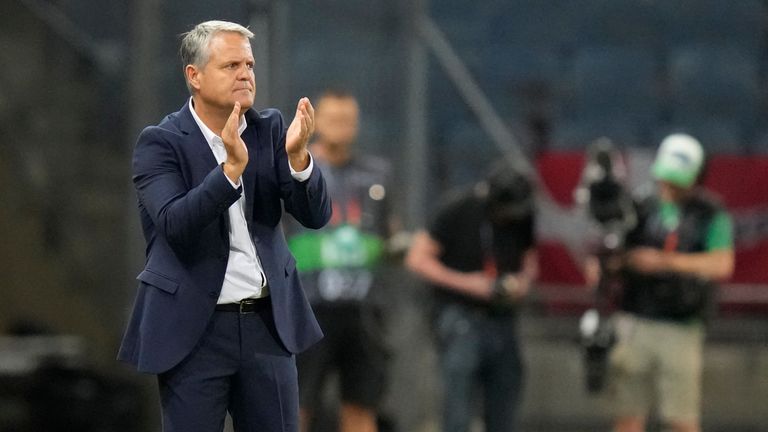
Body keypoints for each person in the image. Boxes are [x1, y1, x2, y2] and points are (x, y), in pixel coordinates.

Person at [117, 20, 331, 432]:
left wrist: (300, 160)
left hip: (268, 327)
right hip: (194, 331)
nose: (245, 74)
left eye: (249, 65)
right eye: (231, 65)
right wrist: (230, 171)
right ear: (194, 76)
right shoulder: (160, 143)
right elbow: (175, 223)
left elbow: (316, 216)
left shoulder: (269, 129)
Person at [590, 133, 734, 432]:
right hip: (636, 320)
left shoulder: (710, 213)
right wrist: (623, 261)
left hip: (682, 325)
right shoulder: (638, 208)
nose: (671, 186)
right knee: (628, 415)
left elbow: (721, 263)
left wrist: (664, 262)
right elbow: (608, 259)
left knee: (681, 418)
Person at [285, 89, 394, 432]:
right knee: (297, 406)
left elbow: (389, 230)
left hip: (363, 311)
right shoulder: (295, 169)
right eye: (333, 119)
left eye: (348, 120)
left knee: (361, 406)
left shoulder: (377, 174)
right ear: (317, 121)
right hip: (309, 307)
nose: (341, 127)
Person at [405, 164, 538, 432]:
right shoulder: (459, 208)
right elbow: (417, 259)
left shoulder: (524, 214)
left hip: (502, 318)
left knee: (504, 407)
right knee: (458, 411)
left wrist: (522, 283)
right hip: (461, 316)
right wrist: (468, 284)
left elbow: (530, 258)